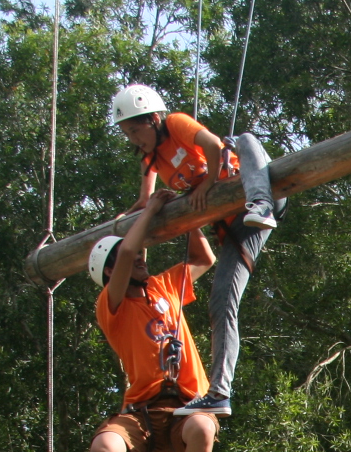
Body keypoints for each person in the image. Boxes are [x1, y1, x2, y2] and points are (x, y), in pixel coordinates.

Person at [109, 84, 282, 418]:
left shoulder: (175, 123)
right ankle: (219, 393)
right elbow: (145, 202)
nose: (133, 139)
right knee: (220, 303)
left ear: (154, 119)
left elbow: (213, 146)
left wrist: (205, 185)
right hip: (235, 228)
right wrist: (122, 220)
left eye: (135, 130)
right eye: (127, 133)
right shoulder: (151, 158)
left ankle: (261, 203)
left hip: (252, 193)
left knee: (243, 138)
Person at [86, 188, 219, 452]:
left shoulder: (165, 286)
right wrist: (155, 207)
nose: (141, 257)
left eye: (145, 253)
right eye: (129, 258)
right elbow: (128, 250)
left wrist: (188, 217)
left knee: (203, 427)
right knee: (102, 449)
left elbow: (203, 257)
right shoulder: (111, 306)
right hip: (142, 411)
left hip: (185, 406)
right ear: (111, 271)